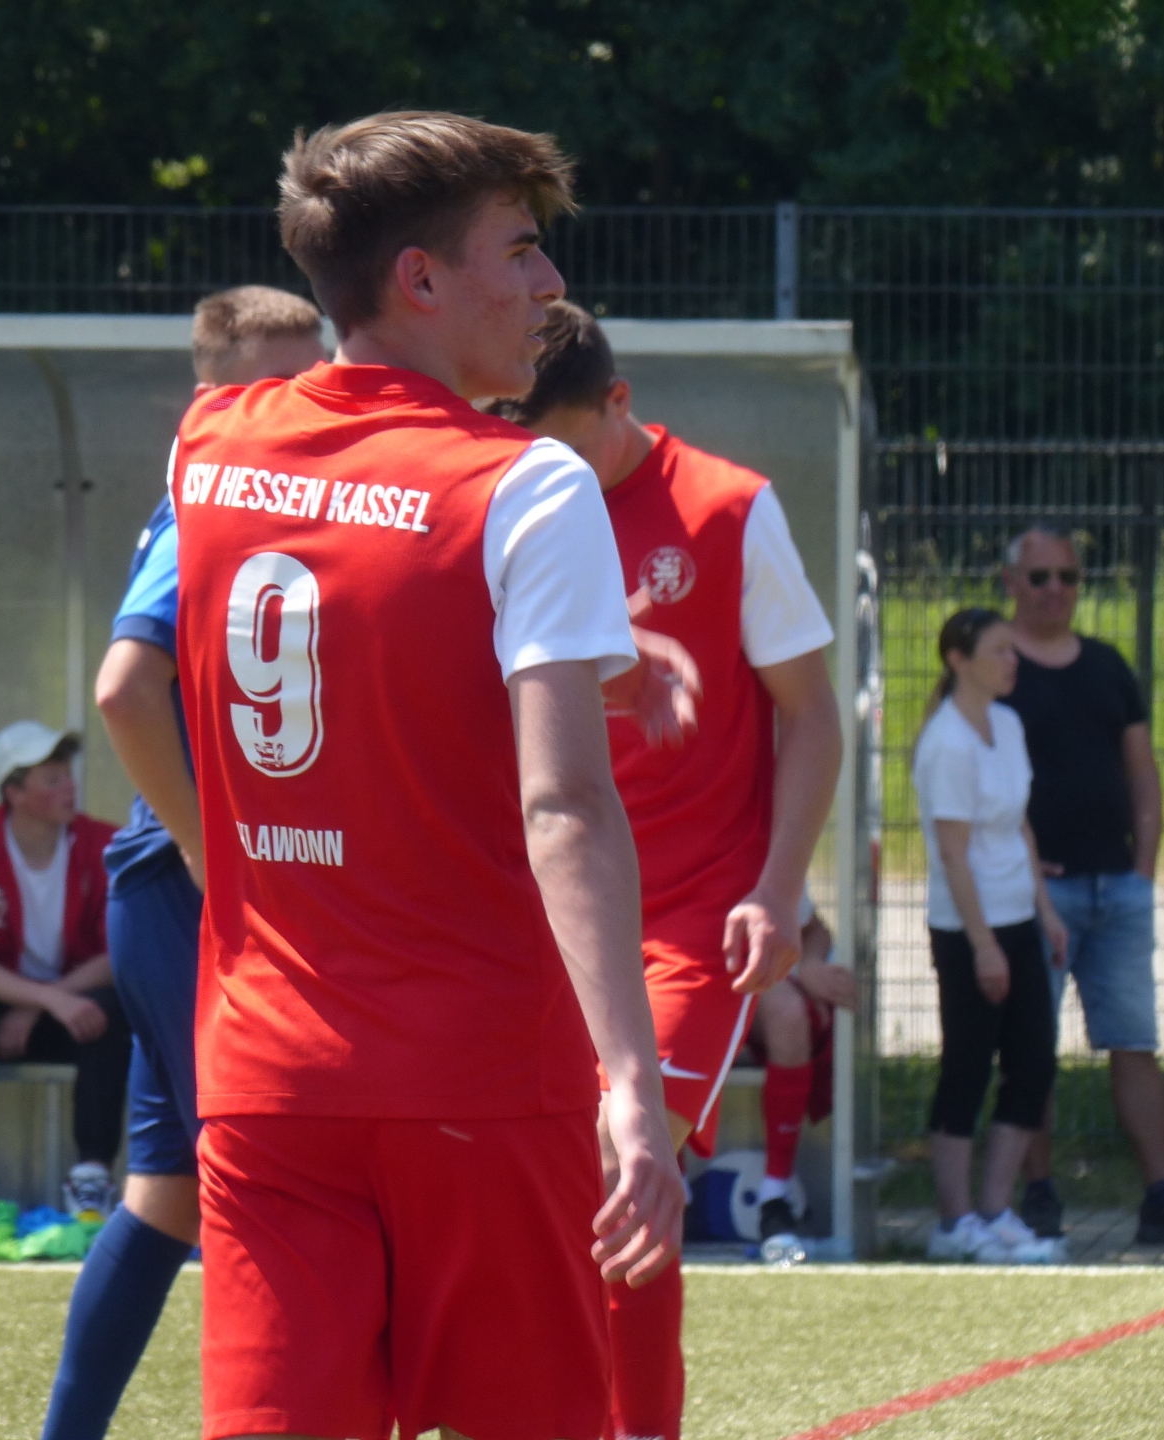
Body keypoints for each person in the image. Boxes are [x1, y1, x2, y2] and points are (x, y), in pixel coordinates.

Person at [172, 112, 689, 1440]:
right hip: (482, 1081)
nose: (550, 284)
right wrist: (633, 1084)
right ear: (419, 279)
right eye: (518, 250)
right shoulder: (528, 485)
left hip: (269, 1080)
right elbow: (565, 804)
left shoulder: (210, 444)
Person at [496, 299, 842, 1440]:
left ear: (620, 402)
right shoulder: (505, 498)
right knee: (522, 1189)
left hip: (692, 919)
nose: (547, 473)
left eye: (565, 446)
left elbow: (812, 717)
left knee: (622, 1163)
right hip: (541, 915)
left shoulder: (729, 508)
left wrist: (777, 889)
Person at [40, 285, 325, 1440]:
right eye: (279, 384)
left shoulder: (266, 488)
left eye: (317, 376)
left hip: (182, 886)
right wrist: (216, 856)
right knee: (276, 1179)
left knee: (167, 1197)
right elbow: (124, 687)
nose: (307, 402)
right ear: (210, 398)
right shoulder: (209, 495)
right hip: (185, 887)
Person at [1002, 524, 1164, 1246]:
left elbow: (1142, 773)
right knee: (1032, 1048)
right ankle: (1037, 1196)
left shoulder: (1108, 666)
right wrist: (1021, 867)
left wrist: (1143, 867)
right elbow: (972, 773)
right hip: (1035, 897)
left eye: (1069, 577)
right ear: (1011, 583)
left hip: (1117, 891)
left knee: (1134, 1041)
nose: (1056, 591)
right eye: (1041, 577)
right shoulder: (993, 666)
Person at [0, 723, 128, 1226]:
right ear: (13, 793)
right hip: (8, 1007)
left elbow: (120, 951)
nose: (69, 788)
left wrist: (44, 1002)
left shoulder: (104, 845)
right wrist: (43, 1001)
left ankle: (93, 1179)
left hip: (72, 1003)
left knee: (108, 1015)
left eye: (67, 775)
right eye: (52, 779)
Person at [913, 607, 1068, 1264]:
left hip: (1015, 917)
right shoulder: (946, 742)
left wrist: (1045, 912)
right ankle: (953, 1224)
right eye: (999, 650)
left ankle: (996, 1210)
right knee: (968, 1067)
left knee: (1033, 1062)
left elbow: (1019, 826)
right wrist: (982, 947)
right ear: (959, 660)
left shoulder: (1007, 725)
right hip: (966, 928)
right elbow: (954, 853)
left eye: (1013, 649)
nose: (1013, 661)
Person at [743, 896, 856, 1243]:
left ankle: (775, 1197)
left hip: (748, 980)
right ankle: (672, 1190)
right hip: (676, 975)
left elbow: (813, 927)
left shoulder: (765, 858)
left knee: (790, 1012)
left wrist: (810, 964)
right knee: (666, 1018)